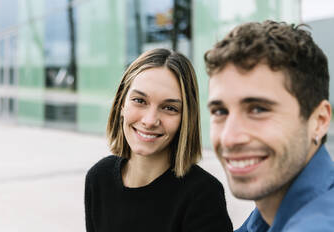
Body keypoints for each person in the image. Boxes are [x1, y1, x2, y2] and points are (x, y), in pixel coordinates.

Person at [205, 20, 334, 231]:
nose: (229, 137)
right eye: (220, 111)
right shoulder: (268, 214)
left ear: (319, 121)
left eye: (258, 109)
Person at [85, 48, 233, 232]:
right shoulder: (99, 178)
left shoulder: (203, 195)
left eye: (169, 108)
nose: (150, 120)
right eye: (140, 101)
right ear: (122, 103)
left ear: (185, 118)